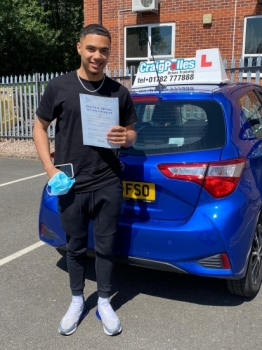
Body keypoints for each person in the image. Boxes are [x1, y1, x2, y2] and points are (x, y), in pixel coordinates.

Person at [33, 23, 137, 336]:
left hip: (107, 182)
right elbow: (39, 126)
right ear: (79, 48)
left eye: (104, 50)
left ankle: (104, 301)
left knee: (106, 248)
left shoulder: (119, 92)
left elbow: (132, 133)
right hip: (70, 183)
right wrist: (50, 171)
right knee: (75, 247)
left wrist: (126, 137)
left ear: (109, 53)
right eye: (91, 48)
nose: (97, 55)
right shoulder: (59, 87)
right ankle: (77, 300)